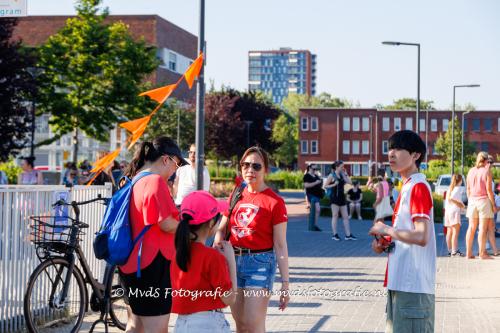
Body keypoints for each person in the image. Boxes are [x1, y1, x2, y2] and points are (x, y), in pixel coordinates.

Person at [213, 146, 290, 333]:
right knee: (240, 325)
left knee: (252, 324)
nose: (250, 170)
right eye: (245, 165)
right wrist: (217, 243)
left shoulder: (275, 202)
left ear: (266, 170)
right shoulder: (236, 194)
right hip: (233, 262)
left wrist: (285, 283)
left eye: (256, 166)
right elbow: (221, 228)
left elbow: (280, 245)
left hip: (260, 264)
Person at [118, 137, 188, 333]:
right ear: (166, 159)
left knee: (135, 326)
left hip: (132, 263)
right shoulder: (155, 181)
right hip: (151, 266)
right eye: (177, 163)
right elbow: (166, 224)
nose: (177, 169)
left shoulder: (134, 178)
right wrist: (189, 228)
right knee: (157, 329)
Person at [370, 130, 436, 333]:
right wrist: (385, 241)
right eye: (390, 148)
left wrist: (386, 229)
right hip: (401, 283)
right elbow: (407, 234)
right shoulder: (406, 187)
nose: (391, 154)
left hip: (412, 286)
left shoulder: (417, 187)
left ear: (415, 155)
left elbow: (421, 236)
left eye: (398, 149)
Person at [171, 191, 236, 332]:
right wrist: (231, 261)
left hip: (181, 324)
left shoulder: (176, 254)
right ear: (211, 222)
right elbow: (229, 298)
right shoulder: (212, 257)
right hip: (208, 324)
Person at [465, 152, 497, 259]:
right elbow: (489, 190)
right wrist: (494, 205)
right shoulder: (487, 171)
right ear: (486, 160)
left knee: (471, 227)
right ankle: (482, 253)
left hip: (472, 201)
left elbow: (468, 189)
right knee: (482, 228)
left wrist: (471, 200)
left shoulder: (471, 171)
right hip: (484, 201)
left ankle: (468, 253)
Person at [325, 161, 357, 241]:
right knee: (335, 215)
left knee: (345, 216)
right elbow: (325, 186)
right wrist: (333, 184)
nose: (343, 168)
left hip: (342, 197)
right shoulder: (331, 175)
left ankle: (348, 235)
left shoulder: (343, 174)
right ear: (337, 167)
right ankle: (335, 235)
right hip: (334, 197)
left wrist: (346, 174)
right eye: (342, 166)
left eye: (343, 166)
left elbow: (350, 182)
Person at [444, 174, 465, 256]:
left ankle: (449, 250)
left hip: (448, 212)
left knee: (449, 232)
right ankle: (454, 251)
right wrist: (461, 205)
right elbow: (452, 198)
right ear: (459, 180)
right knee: (455, 233)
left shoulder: (450, 188)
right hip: (454, 212)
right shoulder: (457, 188)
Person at [303, 164, 323, 231]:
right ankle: (313, 225)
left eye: (316, 169)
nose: (315, 170)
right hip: (311, 194)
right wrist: (316, 183)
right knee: (317, 209)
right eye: (314, 169)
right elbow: (306, 185)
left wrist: (320, 182)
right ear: (310, 168)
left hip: (317, 195)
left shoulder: (316, 175)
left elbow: (319, 183)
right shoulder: (307, 176)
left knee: (316, 210)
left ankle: (314, 225)